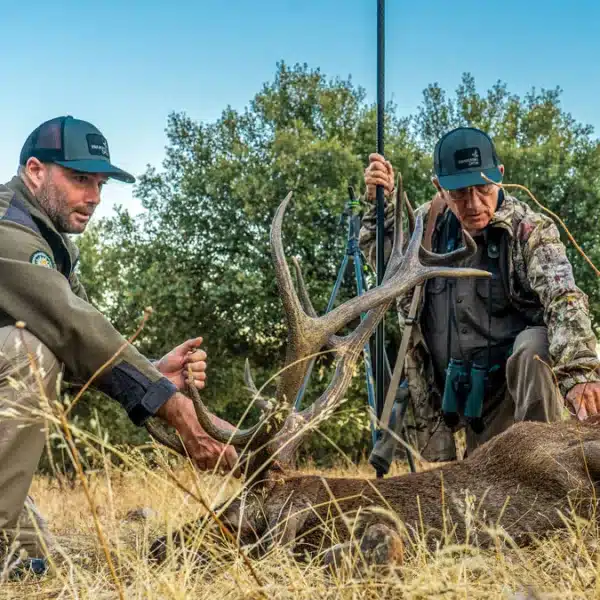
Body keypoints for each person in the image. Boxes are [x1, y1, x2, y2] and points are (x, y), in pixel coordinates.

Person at [0, 116, 239, 576]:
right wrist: (175, 408)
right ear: (35, 170)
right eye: (79, 179)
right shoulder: (9, 229)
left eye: (100, 184)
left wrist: (153, 372)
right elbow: (71, 326)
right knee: (27, 352)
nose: (93, 197)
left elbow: (82, 347)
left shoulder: (48, 241)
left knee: (40, 561)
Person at [359, 126, 600, 463]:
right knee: (453, 501)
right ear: (438, 186)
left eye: (483, 187)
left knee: (536, 348)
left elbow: (564, 299)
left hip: (509, 396)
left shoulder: (530, 230)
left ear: (500, 176)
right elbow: (385, 262)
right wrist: (379, 206)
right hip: (443, 395)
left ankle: (544, 466)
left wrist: (580, 373)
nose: (473, 204)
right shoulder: (424, 228)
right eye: (458, 192)